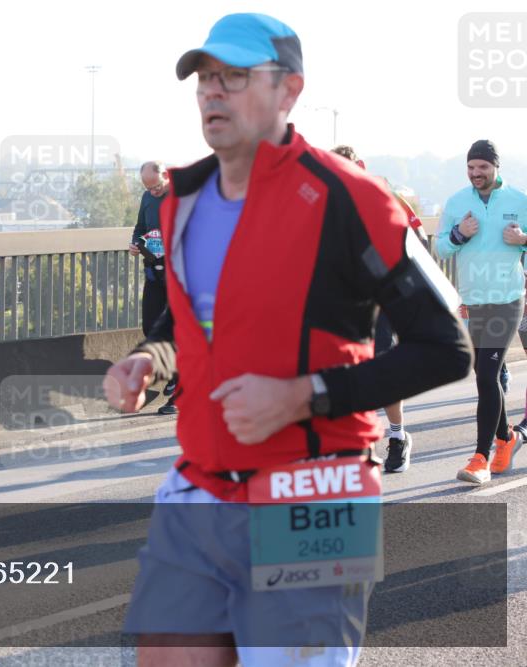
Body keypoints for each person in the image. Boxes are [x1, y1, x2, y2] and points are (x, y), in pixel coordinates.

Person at [103, 14, 471, 666]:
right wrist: (147, 361)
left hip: (313, 488)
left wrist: (305, 394)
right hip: (202, 484)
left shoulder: (351, 197)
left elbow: (446, 345)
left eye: (235, 76)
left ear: (289, 90)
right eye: (205, 78)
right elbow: (182, 325)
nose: (212, 92)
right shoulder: (182, 198)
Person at [330, 144, 426, 472]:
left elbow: (418, 238)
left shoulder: (383, 192)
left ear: (359, 165)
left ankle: (397, 436)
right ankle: (362, 443)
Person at [436, 139, 527, 484]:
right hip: (472, 302)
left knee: (487, 376)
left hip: (507, 300)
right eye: (471, 167)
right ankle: (507, 438)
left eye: (483, 167)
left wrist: (523, 240)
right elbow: (441, 247)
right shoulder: (457, 202)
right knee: (486, 375)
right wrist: (459, 234)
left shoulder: (519, 200)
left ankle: (480, 458)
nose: (476, 173)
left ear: (496, 167)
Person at [128, 160, 177, 415]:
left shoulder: (181, 195)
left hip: (180, 272)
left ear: (166, 175)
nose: (153, 192)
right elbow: (140, 228)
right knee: (150, 326)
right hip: (154, 271)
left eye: (157, 187)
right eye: (149, 188)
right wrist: (135, 244)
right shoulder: (147, 198)